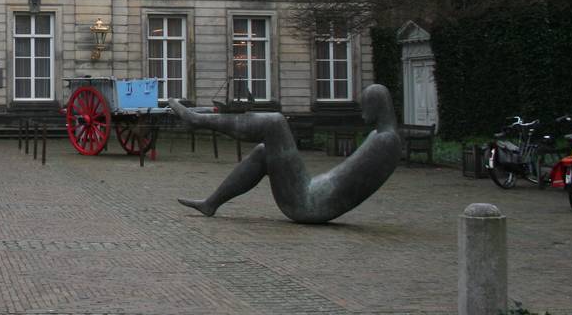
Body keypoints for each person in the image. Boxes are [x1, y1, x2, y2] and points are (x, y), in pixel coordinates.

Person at [167, 84, 402, 224]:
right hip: (312, 193)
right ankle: (211, 204)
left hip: (310, 203)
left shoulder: (385, 141)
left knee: (275, 123)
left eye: (365, 107)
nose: (361, 113)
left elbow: (347, 186)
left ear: (377, 106)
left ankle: (197, 120)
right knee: (263, 151)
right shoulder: (380, 136)